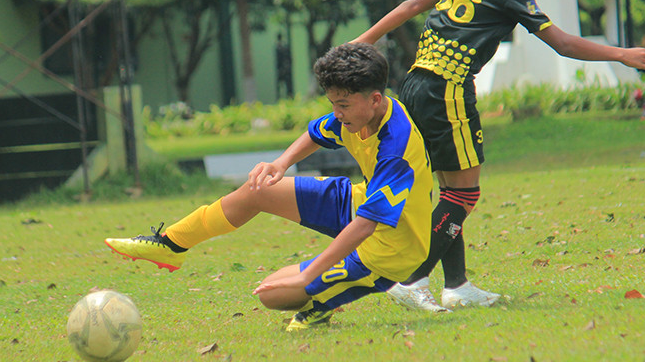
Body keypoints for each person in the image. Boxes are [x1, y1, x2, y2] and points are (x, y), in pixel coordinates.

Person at [354, 0, 645, 313]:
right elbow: (564, 44)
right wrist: (621, 53)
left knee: (449, 189)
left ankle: (458, 285)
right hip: (447, 90)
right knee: (463, 192)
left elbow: (412, 6)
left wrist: (363, 40)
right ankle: (410, 279)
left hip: (415, 84)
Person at [105, 42, 433, 331]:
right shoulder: (356, 114)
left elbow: (366, 226)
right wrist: (280, 163)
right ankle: (171, 245)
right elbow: (317, 132)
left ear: (375, 100)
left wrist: (308, 277)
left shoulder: (396, 150)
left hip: (393, 249)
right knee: (258, 190)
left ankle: (317, 306)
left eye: (342, 105)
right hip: (359, 203)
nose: (336, 113)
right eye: (332, 103)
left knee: (273, 294)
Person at [274, 33, 294, 98]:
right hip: (284, 68)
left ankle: (289, 96)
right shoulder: (283, 46)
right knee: (282, 85)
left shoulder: (279, 47)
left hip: (284, 68)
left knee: (287, 84)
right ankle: (282, 97)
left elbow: (278, 59)